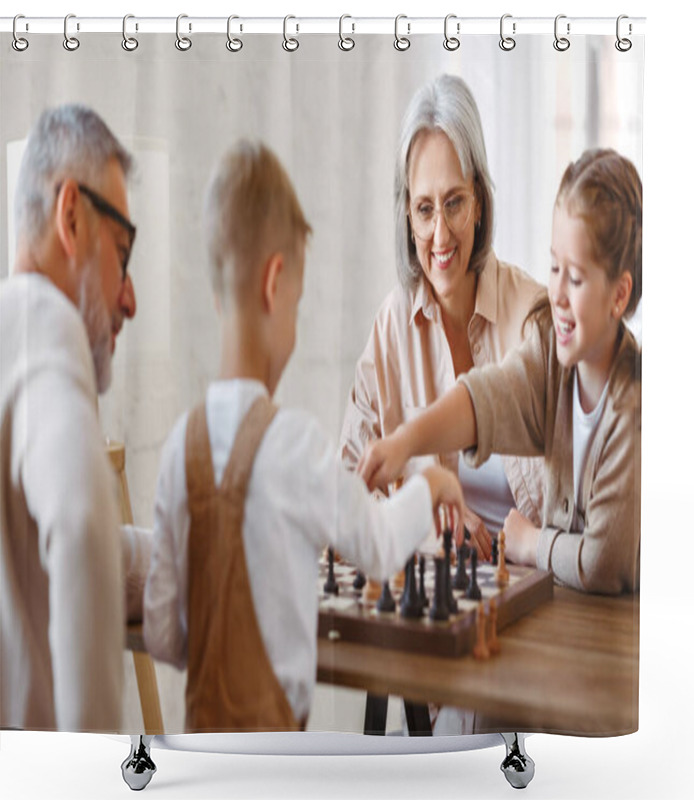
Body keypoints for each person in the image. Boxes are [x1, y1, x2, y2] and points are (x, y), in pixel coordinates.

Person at [143, 141, 465, 733]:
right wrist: (432, 481)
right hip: (276, 758)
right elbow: (378, 545)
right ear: (275, 282)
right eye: (298, 301)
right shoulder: (294, 444)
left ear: (218, 293)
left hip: (200, 754)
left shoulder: (175, 452)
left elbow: (163, 634)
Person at [359, 148, 642, 596]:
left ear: (619, 295)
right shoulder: (549, 353)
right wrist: (405, 442)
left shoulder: (633, 407)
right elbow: (485, 399)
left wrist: (532, 545)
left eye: (577, 278)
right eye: (554, 267)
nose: (558, 295)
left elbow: (603, 560)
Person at [339, 75, 545, 561]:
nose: (439, 234)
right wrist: (427, 520)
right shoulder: (391, 329)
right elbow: (346, 499)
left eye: (454, 203)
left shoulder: (532, 314)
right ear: (407, 218)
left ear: (478, 201)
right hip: (436, 603)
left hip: (531, 593)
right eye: (424, 209)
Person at [0, 104, 139, 731]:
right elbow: (80, 526)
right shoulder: (44, 328)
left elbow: (45, 552)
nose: (129, 299)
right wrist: (94, 775)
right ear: (72, 216)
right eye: (122, 251)